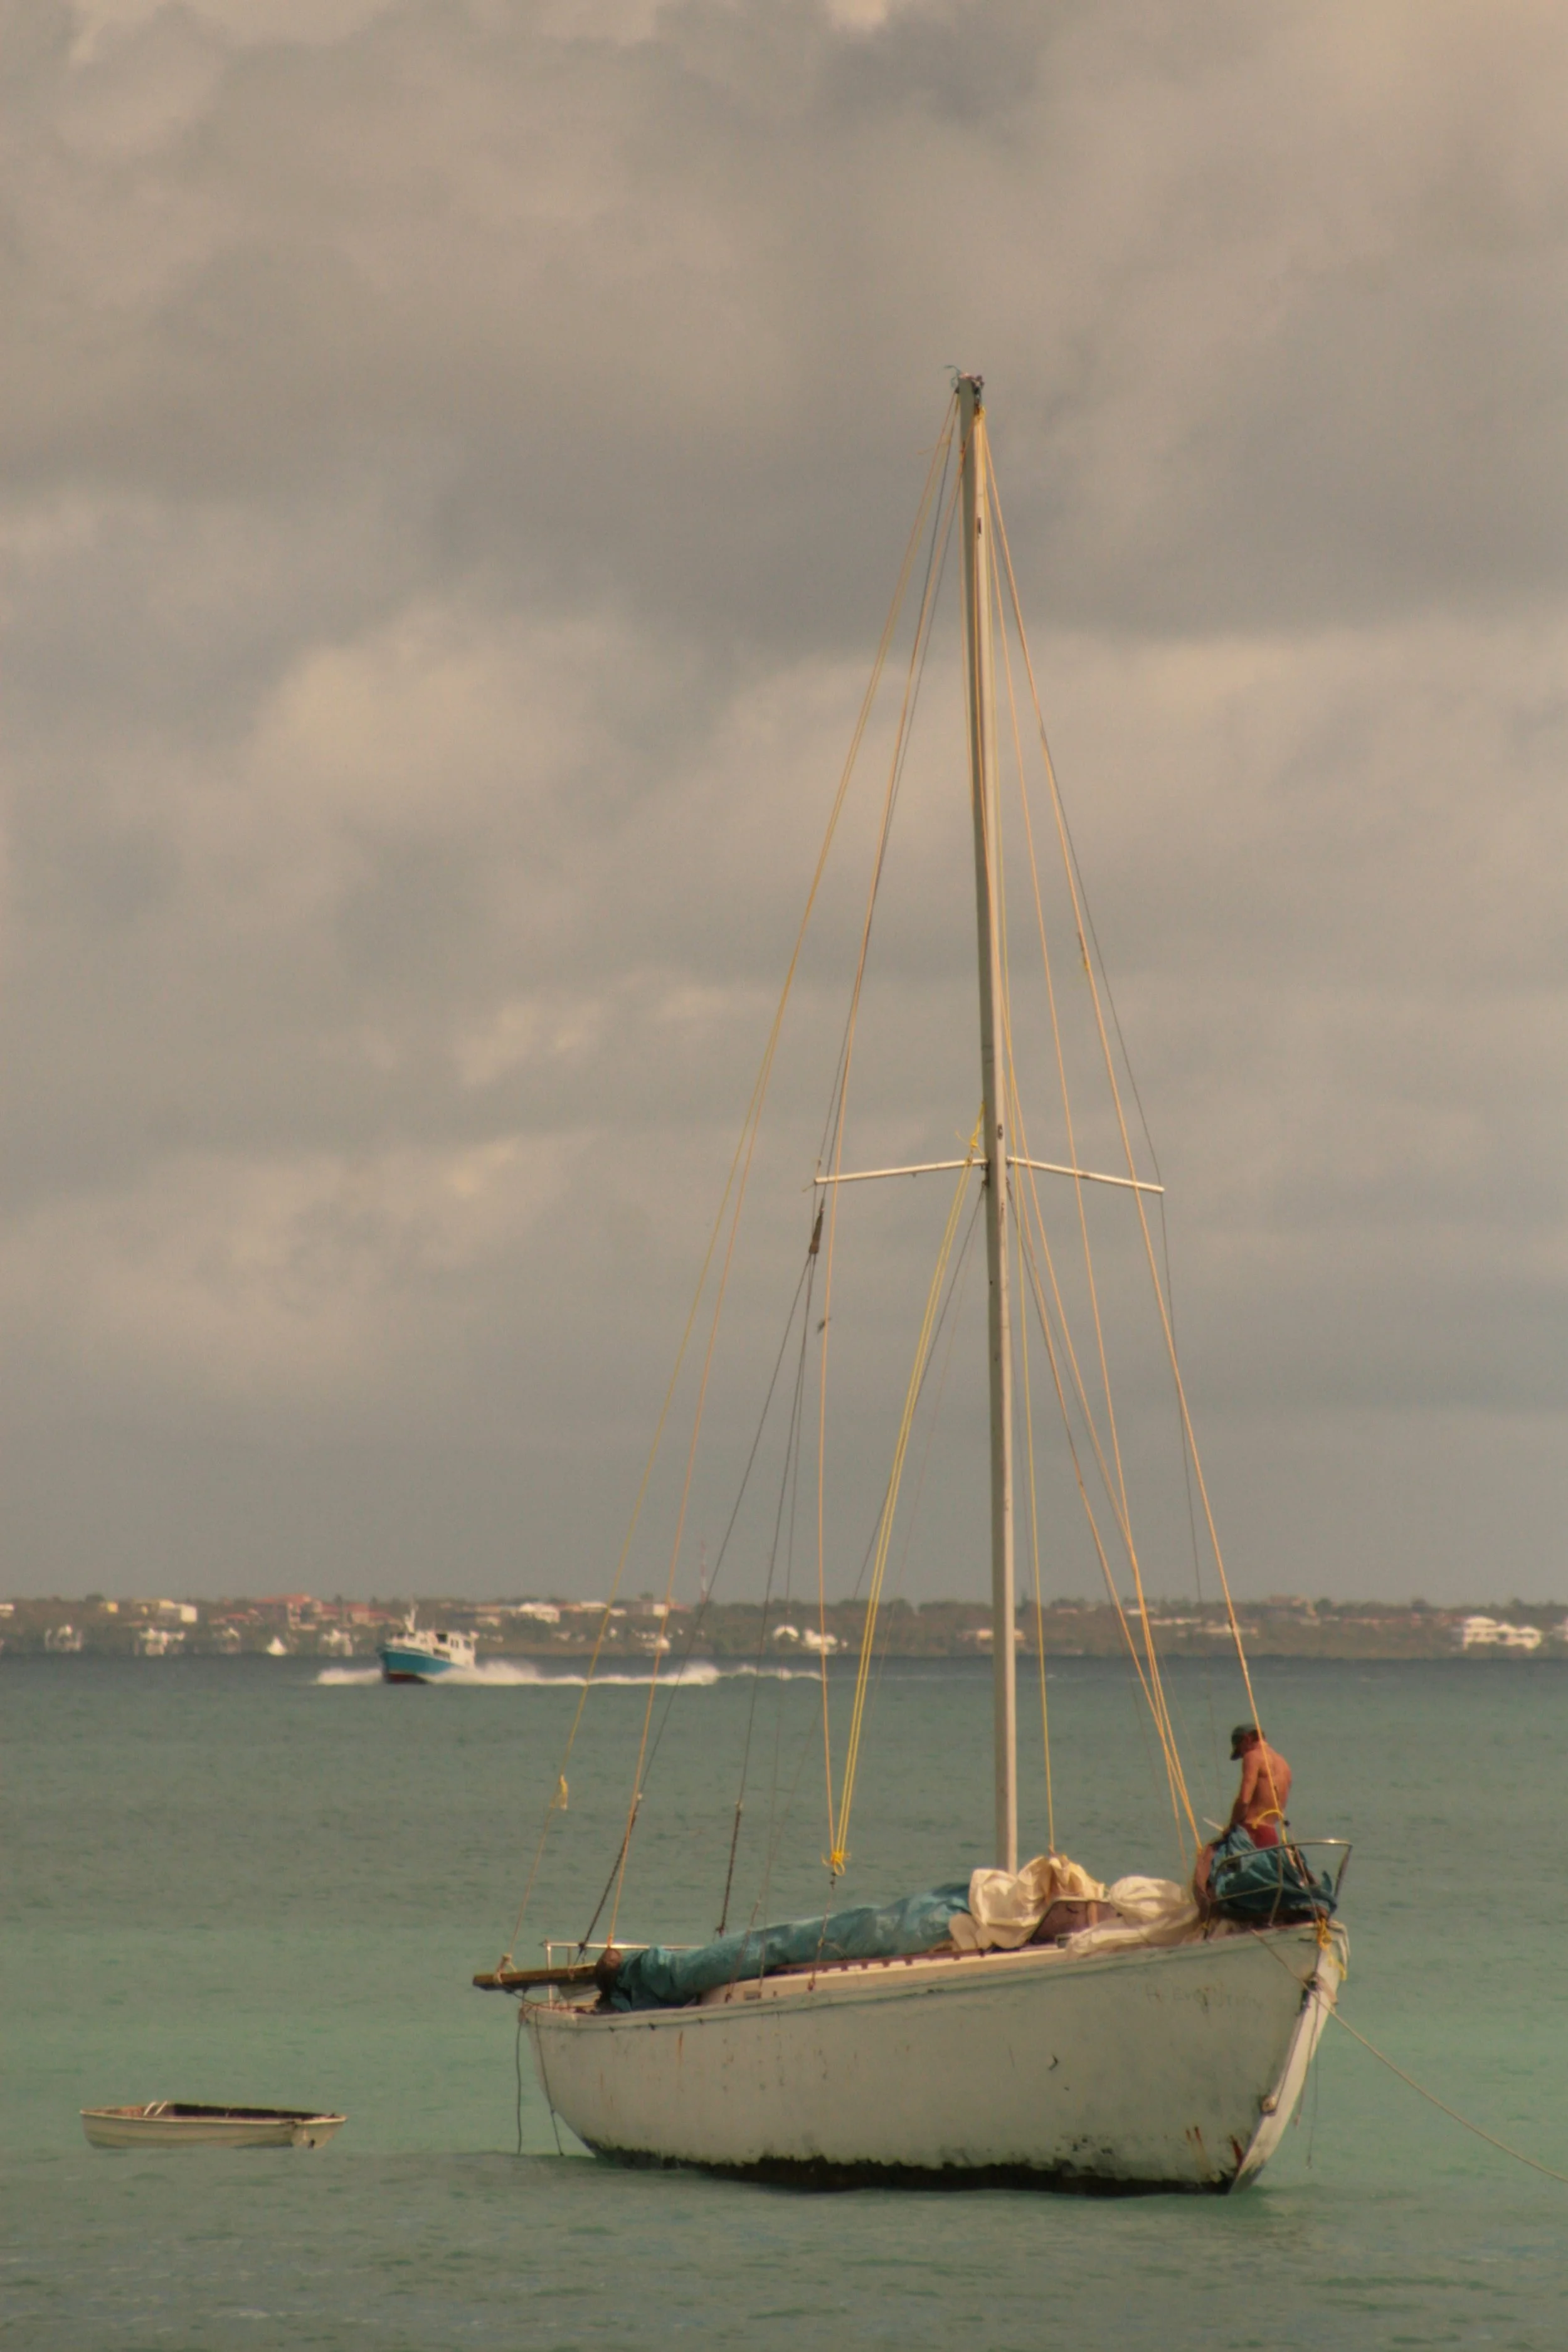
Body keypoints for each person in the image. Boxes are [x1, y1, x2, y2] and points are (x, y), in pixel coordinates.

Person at [1195, 1724, 1292, 1904]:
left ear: (1247, 1739)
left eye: (1240, 1750)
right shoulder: (1284, 1764)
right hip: (1271, 1834)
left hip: (1251, 1831)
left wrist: (1231, 1826)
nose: (1242, 1756)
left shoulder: (1253, 1757)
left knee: (1215, 1873)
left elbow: (1244, 1799)